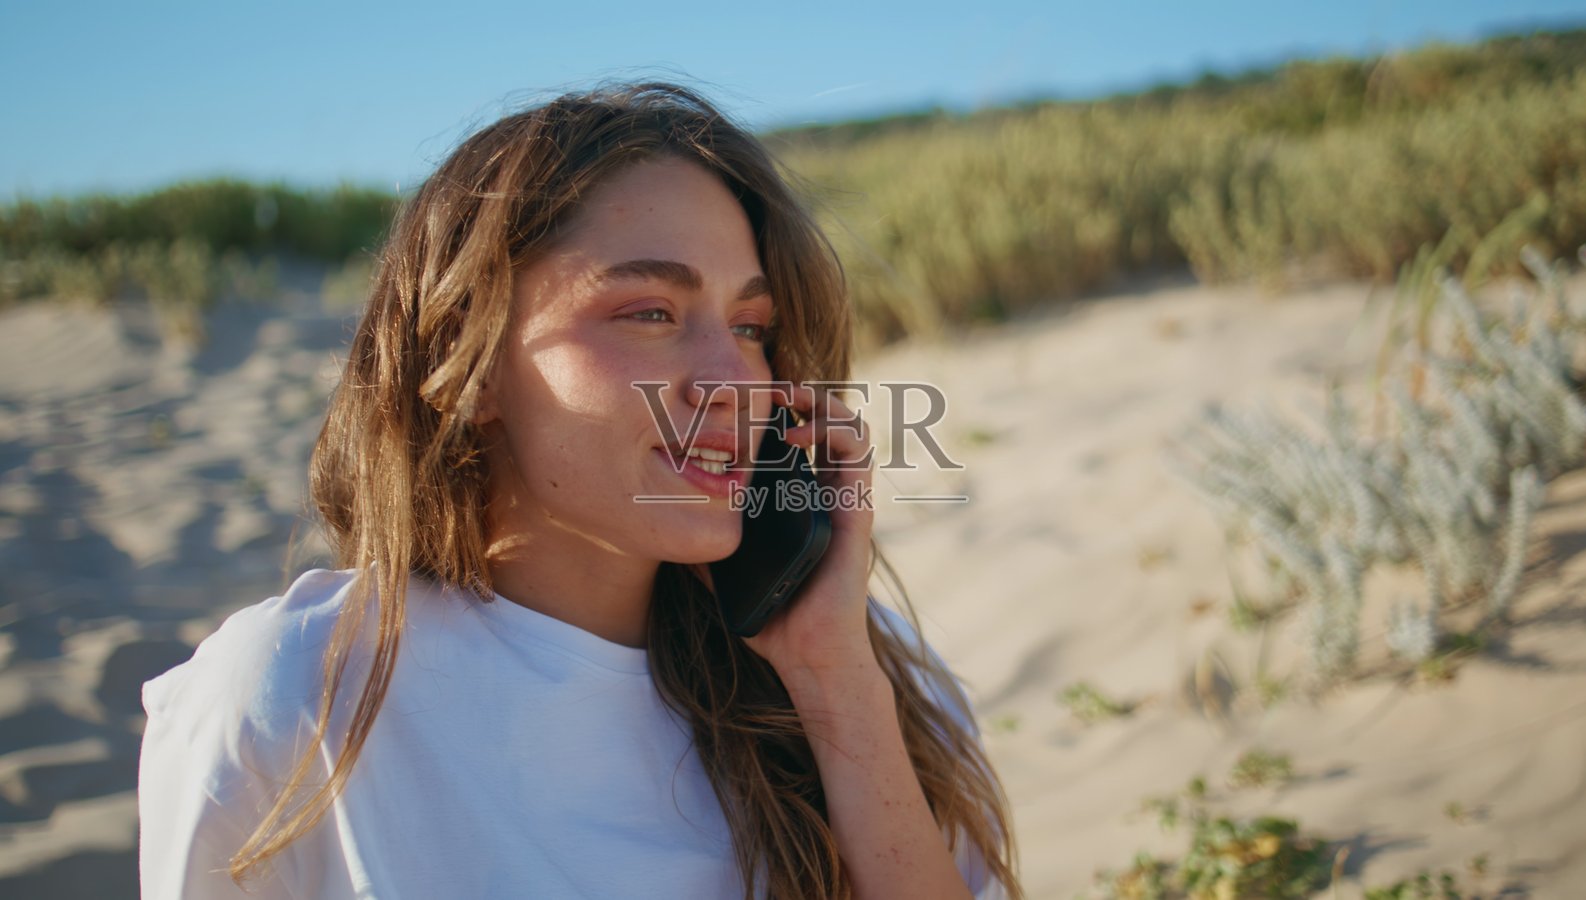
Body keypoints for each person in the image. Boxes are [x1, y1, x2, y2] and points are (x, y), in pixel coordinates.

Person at [137, 82, 1021, 900]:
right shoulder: (291, 700)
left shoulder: (869, 668)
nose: (735, 381)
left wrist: (835, 685)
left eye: (752, 327)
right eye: (649, 314)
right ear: (469, 366)